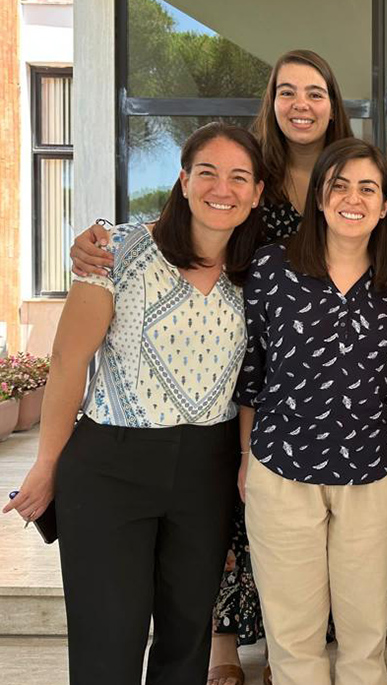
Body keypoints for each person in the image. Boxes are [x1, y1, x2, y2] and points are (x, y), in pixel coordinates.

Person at [67, 49, 353, 685]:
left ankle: (286, 651)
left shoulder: (348, 180)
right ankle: (226, 645)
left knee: (230, 534)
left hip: (301, 378)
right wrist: (96, 239)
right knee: (225, 536)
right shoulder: (250, 175)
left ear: (334, 104)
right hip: (239, 371)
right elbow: (183, 230)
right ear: (271, 103)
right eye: (287, 92)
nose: (301, 104)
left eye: (315, 92)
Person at [3, 122, 265, 684]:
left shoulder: (256, 275)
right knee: (107, 641)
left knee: (185, 640)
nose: (223, 188)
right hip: (110, 466)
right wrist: (46, 465)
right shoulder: (118, 251)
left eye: (239, 177)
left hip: (206, 469)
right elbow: (70, 363)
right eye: (208, 173)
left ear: (258, 193)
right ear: (183, 179)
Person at [236, 138, 387, 685]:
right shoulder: (271, 267)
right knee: (293, 641)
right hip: (281, 473)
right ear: (320, 196)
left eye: (368, 189)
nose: (353, 199)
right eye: (340, 185)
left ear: (384, 207)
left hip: (370, 476)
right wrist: (245, 461)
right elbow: (251, 375)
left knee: (363, 640)